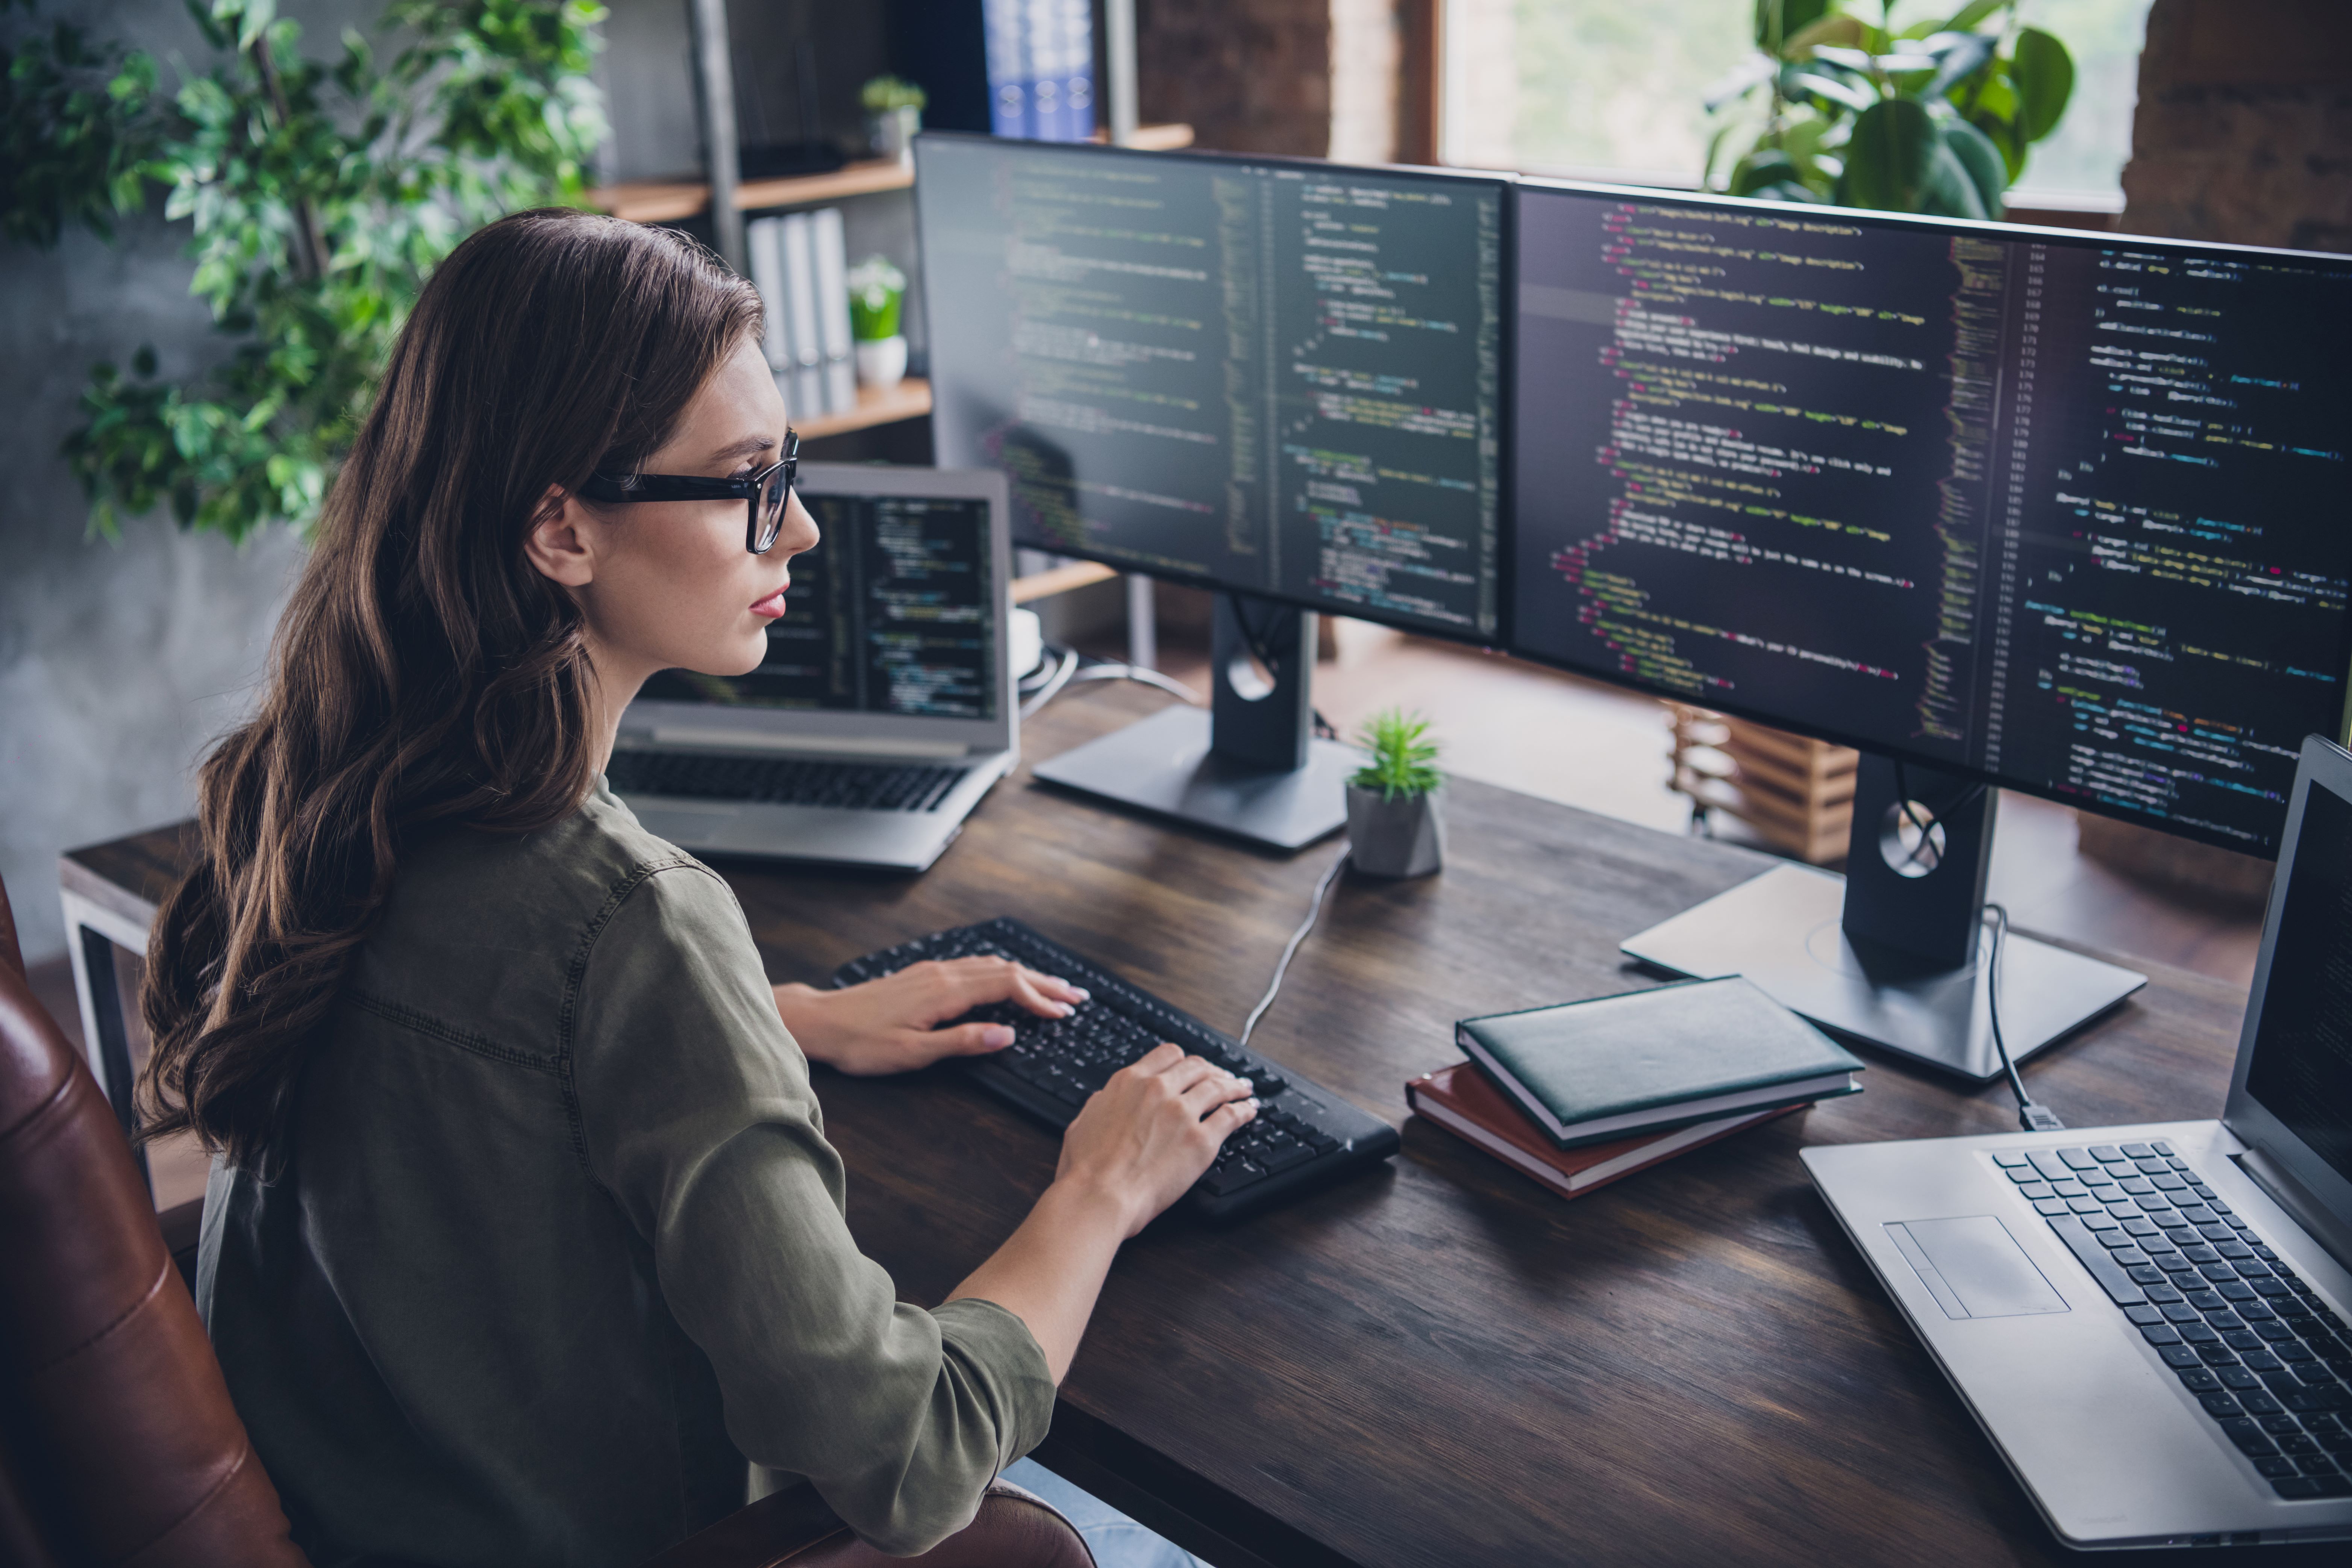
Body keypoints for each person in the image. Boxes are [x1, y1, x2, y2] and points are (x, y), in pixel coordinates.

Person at [136, 208, 1257, 1568]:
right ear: (562, 528)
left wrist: (779, 1017)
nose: (802, 531)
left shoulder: (310, 791)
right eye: (746, 484)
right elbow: (905, 1457)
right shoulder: (633, 921)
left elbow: (484, 1060)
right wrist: (1101, 1186)